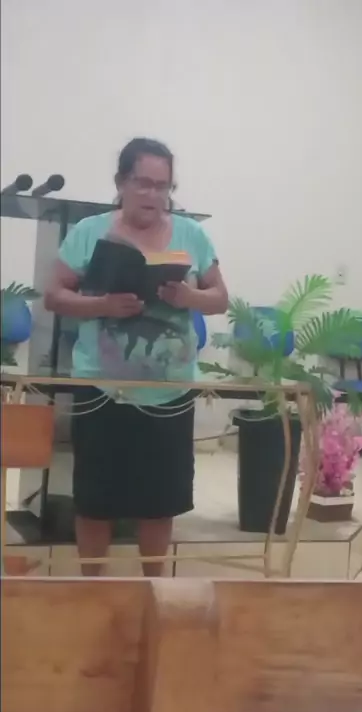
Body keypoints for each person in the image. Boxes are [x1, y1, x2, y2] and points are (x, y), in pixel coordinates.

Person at [45, 137, 228, 576]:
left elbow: (220, 298)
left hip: (168, 391)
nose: (152, 194)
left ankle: (153, 588)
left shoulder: (191, 234)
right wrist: (103, 306)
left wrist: (188, 297)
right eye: (143, 183)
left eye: (162, 186)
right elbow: (54, 295)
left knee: (159, 501)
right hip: (102, 388)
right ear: (121, 182)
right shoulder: (89, 231)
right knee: (95, 500)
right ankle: (95, 588)